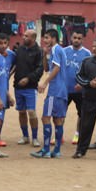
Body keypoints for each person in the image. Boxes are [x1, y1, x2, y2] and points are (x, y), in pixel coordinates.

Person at [30, 29, 68, 159]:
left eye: (46, 38)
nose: (44, 40)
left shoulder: (57, 49)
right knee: (58, 120)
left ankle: (46, 149)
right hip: (61, 90)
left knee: (46, 117)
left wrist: (45, 83)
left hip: (55, 90)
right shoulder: (55, 51)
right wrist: (45, 55)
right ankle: (56, 151)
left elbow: (56, 68)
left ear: (53, 38)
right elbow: (47, 68)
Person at [14, 30, 43, 147]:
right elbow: (14, 65)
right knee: (21, 112)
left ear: (33, 38)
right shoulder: (19, 49)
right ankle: (25, 136)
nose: (23, 37)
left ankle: (35, 137)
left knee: (31, 111)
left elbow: (40, 69)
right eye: (24, 35)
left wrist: (28, 78)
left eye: (26, 36)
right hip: (18, 86)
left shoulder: (39, 51)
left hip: (30, 87)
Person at [63, 31, 92, 145]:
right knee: (60, 113)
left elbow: (90, 71)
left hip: (80, 90)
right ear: (71, 38)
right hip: (65, 89)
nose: (76, 40)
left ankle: (77, 134)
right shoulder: (64, 51)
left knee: (82, 113)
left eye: (79, 38)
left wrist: (83, 84)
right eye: (75, 37)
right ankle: (58, 135)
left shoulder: (87, 53)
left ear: (82, 40)